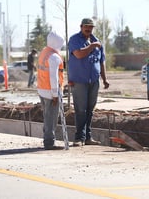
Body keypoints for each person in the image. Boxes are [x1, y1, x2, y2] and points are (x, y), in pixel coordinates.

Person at [68, 18, 110, 147]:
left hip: (94, 80)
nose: (88, 29)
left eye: (91, 27)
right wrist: (91, 47)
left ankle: (88, 137)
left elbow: (101, 62)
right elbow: (79, 55)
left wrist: (104, 78)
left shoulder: (96, 41)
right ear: (81, 26)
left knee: (90, 110)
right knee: (81, 109)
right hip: (79, 81)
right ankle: (79, 137)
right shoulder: (75, 39)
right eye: (86, 26)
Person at [37, 31, 65, 150]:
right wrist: (55, 94)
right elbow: (53, 77)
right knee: (51, 118)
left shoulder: (44, 52)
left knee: (47, 117)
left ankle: (47, 139)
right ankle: (49, 142)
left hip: (42, 90)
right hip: (50, 92)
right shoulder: (54, 57)